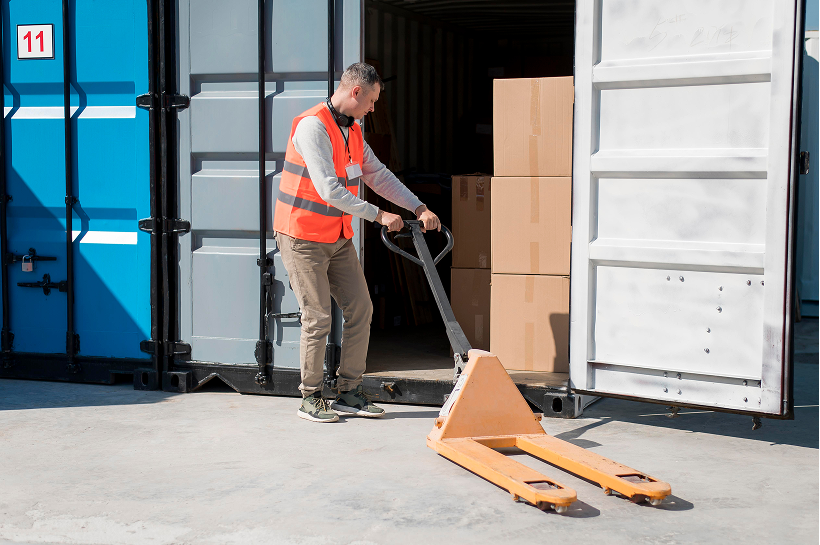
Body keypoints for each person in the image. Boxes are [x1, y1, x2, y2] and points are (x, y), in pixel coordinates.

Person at [273, 62, 440, 423]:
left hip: (336, 237)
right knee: (317, 317)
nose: (374, 108)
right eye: (373, 100)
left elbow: (378, 174)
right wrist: (379, 216)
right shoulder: (312, 127)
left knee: (361, 309)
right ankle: (310, 396)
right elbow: (329, 190)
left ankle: (348, 391)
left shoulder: (353, 131)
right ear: (356, 92)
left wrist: (418, 206)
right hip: (302, 236)